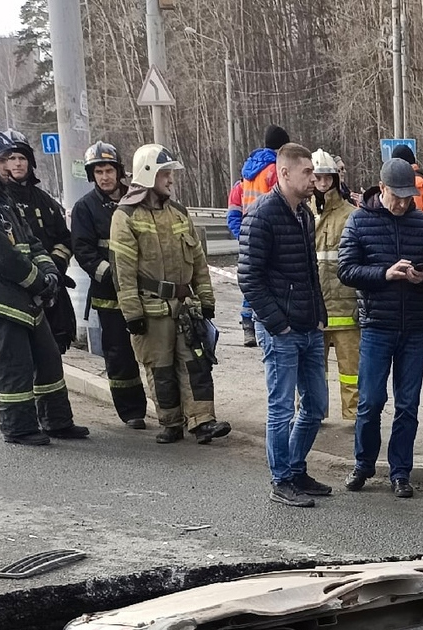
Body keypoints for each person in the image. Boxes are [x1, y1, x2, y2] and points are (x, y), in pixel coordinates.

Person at [0, 128, 89, 446]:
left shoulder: (2, 200)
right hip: (2, 298)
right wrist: (38, 281)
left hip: (28, 299)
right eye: (3, 158)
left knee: (48, 361)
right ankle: (18, 427)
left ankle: (57, 421)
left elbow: (30, 240)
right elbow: (1, 256)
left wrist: (48, 272)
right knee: (14, 366)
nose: (10, 165)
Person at [339, 158, 423, 498]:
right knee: (370, 401)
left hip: (415, 328)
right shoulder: (359, 221)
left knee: (408, 405)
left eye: (408, 197)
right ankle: (363, 464)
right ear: (382, 188)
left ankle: (401, 472)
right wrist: (384, 274)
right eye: (397, 196)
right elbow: (346, 270)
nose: (403, 203)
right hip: (376, 326)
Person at [110, 144, 231, 446]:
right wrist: (132, 314)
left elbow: (199, 262)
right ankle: (171, 422)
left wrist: (206, 300)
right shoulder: (125, 216)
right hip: (150, 310)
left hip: (185, 306)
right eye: (165, 173)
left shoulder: (179, 213)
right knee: (160, 368)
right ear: (149, 174)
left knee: (196, 364)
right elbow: (122, 270)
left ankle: (202, 421)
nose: (171, 180)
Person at [237, 143, 330, 508]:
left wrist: (319, 313)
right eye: (307, 172)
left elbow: (310, 272)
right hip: (281, 331)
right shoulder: (262, 214)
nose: (314, 178)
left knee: (316, 406)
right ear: (286, 173)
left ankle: (295, 468)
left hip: (309, 326)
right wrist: (278, 324)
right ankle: (281, 480)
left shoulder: (304, 214)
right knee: (281, 409)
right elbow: (249, 278)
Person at [71, 141, 148, 430]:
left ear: (119, 171)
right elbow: (84, 251)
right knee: (119, 353)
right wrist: (114, 277)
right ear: (92, 175)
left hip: (144, 291)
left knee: (156, 350)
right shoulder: (85, 208)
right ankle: (132, 411)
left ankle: (169, 408)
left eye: (109, 170)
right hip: (109, 296)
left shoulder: (137, 199)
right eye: (99, 171)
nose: (105, 176)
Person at [0, 129, 77, 355]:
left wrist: (54, 267)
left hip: (51, 288)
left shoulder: (45, 202)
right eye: (11, 158)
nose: (17, 164)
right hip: (16, 291)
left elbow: (65, 239)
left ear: (30, 162)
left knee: (53, 353)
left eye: (22, 158)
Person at [229, 125, 291, 347]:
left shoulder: (246, 173)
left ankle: (248, 324)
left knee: (252, 278)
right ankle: (260, 326)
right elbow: (283, 203)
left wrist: (242, 235)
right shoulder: (276, 170)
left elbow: (234, 211)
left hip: (250, 233)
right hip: (270, 232)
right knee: (264, 280)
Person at [310, 148, 359, 421]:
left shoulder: (350, 215)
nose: (323, 183)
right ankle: (313, 415)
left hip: (345, 308)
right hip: (314, 311)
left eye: (327, 178)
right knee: (313, 373)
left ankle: (354, 419)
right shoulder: (302, 213)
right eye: (318, 177)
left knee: (351, 371)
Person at [390, 144, 423, 362]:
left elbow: (410, 212)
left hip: (412, 241)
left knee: (413, 297)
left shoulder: (414, 184)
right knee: (422, 296)